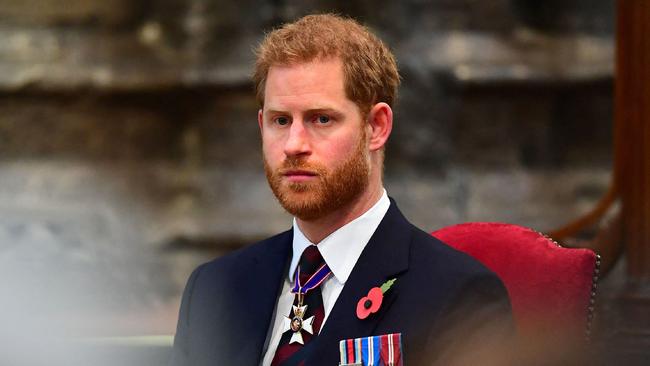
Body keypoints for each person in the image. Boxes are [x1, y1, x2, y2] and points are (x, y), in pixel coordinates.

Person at [170, 14, 512, 366]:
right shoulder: (214, 289)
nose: (293, 145)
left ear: (376, 127)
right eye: (281, 121)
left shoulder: (456, 295)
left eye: (321, 119)